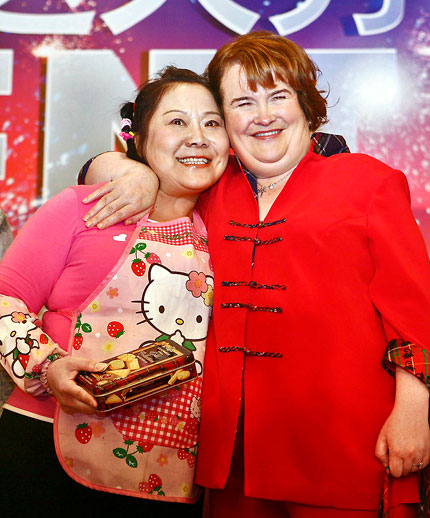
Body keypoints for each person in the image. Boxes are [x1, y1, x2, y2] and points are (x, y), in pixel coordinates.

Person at [76, 32, 430, 518]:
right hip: (234, 460)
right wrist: (125, 168)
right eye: (243, 102)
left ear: (306, 106)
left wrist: (414, 412)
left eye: (278, 96)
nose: (263, 116)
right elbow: (114, 168)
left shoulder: (370, 182)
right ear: (224, 123)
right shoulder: (210, 190)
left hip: (350, 447)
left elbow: (414, 310)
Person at [0, 66, 229, 516]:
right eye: (177, 121)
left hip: (172, 470)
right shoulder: (82, 207)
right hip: (47, 446)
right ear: (137, 140)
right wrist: (47, 367)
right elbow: (4, 297)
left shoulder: (228, 227)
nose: (198, 136)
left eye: (213, 122)